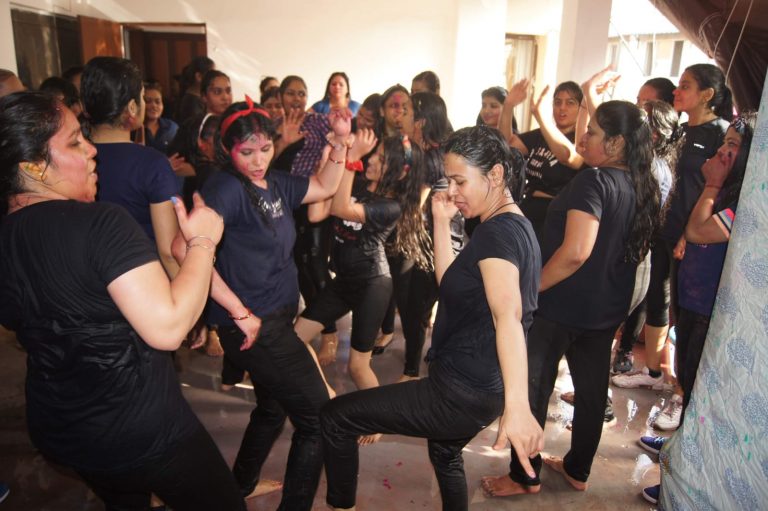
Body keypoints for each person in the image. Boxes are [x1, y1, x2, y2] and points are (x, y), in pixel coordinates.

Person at [0, 91, 244, 510]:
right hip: (143, 429)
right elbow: (168, 327)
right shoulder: (101, 223)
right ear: (33, 167)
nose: (93, 150)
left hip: (61, 427)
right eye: (76, 142)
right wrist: (203, 241)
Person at [321, 125, 543, 511]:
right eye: (448, 181)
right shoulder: (512, 223)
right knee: (445, 452)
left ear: (495, 176)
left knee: (336, 418)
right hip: (477, 386)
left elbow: (508, 315)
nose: (452, 191)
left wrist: (519, 406)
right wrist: (441, 221)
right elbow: (452, 283)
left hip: (461, 392)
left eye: (460, 181)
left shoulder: (497, 236)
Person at [482, 100, 660, 497]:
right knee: (593, 391)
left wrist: (532, 290)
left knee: (534, 388)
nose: (583, 137)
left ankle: (523, 476)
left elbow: (576, 251)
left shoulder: (594, 181)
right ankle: (578, 470)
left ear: (615, 143)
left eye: (593, 132)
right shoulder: (641, 184)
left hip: (562, 305)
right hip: (605, 308)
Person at [197, 98, 351, 509]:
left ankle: (240, 484)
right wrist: (239, 312)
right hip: (254, 327)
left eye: (265, 149)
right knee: (319, 419)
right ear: (228, 150)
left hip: (276, 319)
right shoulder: (226, 188)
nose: (258, 159)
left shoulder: (277, 183)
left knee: (271, 408)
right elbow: (186, 249)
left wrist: (340, 143)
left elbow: (325, 186)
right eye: (246, 152)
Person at [640, 112, 755, 505]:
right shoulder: (727, 193)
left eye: (734, 147)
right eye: (725, 142)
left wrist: (711, 183)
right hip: (693, 301)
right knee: (688, 380)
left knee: (696, 390)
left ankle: (683, 475)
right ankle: (679, 450)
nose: (723, 150)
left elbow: (699, 230)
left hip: (709, 310)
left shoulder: (742, 201)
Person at [612, 64, 733, 393]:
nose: (677, 92)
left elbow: (717, 190)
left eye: (686, 86)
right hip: (662, 231)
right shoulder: (680, 130)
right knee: (657, 299)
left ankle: (682, 391)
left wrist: (684, 235)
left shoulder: (721, 134)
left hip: (691, 238)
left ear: (707, 95)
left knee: (686, 312)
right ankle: (653, 372)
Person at [295, 131, 429, 393]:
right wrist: (328, 161)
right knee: (294, 338)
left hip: (372, 285)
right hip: (344, 281)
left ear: (400, 172)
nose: (371, 161)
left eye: (381, 159)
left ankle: (376, 419)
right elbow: (316, 213)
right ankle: (326, 394)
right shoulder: (355, 184)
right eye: (373, 155)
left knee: (358, 366)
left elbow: (340, 209)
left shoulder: (392, 206)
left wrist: (351, 159)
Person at [81, 57, 181, 279]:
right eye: (143, 98)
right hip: (143, 282)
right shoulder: (152, 164)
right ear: (133, 107)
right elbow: (168, 251)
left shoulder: (74, 159)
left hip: (90, 280)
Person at [504, 81, 584, 243]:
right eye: (557, 102)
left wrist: (541, 118)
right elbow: (506, 146)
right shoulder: (540, 135)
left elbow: (566, 155)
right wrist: (508, 106)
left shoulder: (581, 139)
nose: (562, 108)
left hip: (555, 214)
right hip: (529, 206)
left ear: (580, 108)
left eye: (570, 103)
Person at [140, 81, 179, 155]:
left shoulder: (172, 128)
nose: (154, 106)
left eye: (158, 102)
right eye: (148, 101)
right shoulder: (134, 130)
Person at [174, 56, 215, 124]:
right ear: (199, 77)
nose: (214, 79)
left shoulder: (196, 98)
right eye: (211, 74)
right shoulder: (192, 103)